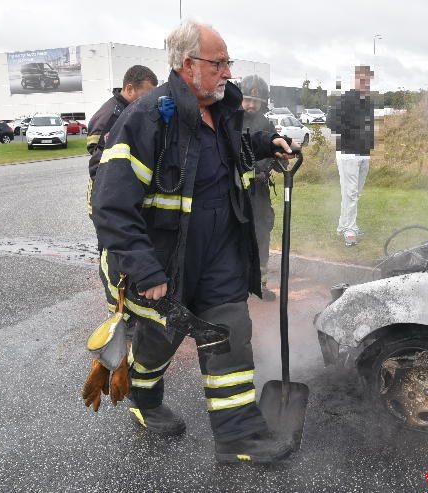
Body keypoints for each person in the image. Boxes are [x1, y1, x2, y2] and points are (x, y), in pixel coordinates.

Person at [90, 20, 298, 464]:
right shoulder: (146, 118)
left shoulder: (221, 112)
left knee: (230, 334)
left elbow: (235, 148)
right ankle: (144, 400)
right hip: (162, 264)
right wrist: (144, 269)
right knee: (160, 340)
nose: (227, 72)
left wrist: (267, 143)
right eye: (218, 62)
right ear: (188, 65)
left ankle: (238, 437)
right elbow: (111, 205)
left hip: (220, 255)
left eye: (229, 62)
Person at [85, 65, 158, 216]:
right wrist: (114, 203)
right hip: (107, 200)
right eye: (145, 96)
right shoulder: (112, 116)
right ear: (130, 89)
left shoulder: (129, 110)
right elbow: (98, 166)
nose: (150, 102)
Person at [327, 65, 375, 246]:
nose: (364, 83)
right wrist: (352, 133)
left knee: (354, 193)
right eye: (361, 79)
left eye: (367, 80)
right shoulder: (345, 99)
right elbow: (331, 121)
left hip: (363, 154)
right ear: (355, 79)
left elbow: (368, 126)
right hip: (348, 154)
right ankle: (350, 230)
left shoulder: (368, 102)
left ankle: (343, 225)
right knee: (351, 193)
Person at [241, 74, 277, 302]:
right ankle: (236, 285)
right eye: (247, 99)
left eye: (256, 101)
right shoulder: (230, 121)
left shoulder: (267, 125)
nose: (251, 104)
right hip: (235, 193)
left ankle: (260, 284)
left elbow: (272, 153)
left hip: (259, 193)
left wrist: (270, 164)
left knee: (262, 234)